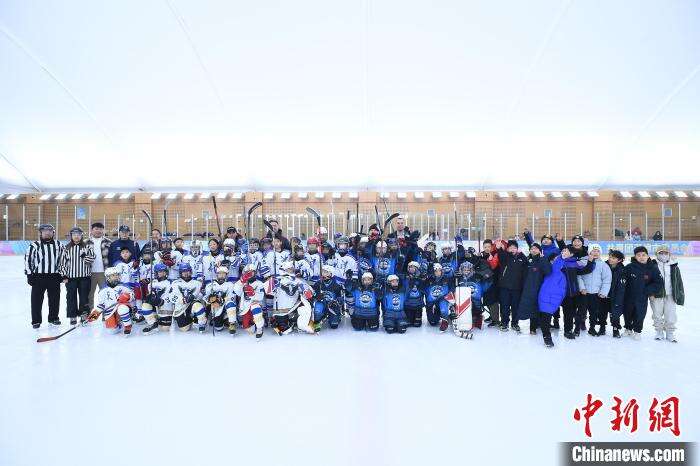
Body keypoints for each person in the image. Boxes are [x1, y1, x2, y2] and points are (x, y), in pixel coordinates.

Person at [537, 247, 591, 347]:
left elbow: (585, 270)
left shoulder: (575, 263)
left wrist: (591, 261)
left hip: (569, 293)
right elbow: (554, 267)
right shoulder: (556, 263)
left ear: (571, 254)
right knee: (547, 312)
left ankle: (568, 330)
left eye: (566, 251)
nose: (563, 252)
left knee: (569, 313)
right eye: (562, 251)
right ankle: (547, 335)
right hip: (554, 292)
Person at [24, 224, 64, 328]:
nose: (47, 232)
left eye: (50, 231)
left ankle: (53, 318)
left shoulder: (59, 245)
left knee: (55, 299)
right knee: (36, 300)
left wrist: (62, 274)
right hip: (38, 277)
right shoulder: (34, 245)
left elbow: (63, 260)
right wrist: (29, 275)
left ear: (53, 233)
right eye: (45, 231)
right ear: (40, 233)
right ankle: (36, 321)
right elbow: (28, 260)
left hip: (54, 276)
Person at [623, 246, 663, 340]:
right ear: (635, 257)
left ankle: (637, 331)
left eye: (643, 255)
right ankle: (628, 329)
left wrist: (647, 291)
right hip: (629, 296)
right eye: (639, 255)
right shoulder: (629, 267)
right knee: (627, 313)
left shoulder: (652, 268)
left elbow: (658, 282)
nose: (641, 257)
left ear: (648, 256)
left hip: (642, 297)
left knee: (640, 314)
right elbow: (623, 280)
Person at [58, 227, 96, 325]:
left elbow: (92, 259)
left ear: (81, 235)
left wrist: (84, 256)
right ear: (71, 236)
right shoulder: (66, 248)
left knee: (84, 297)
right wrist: (64, 275)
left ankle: (84, 314)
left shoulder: (87, 247)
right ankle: (72, 315)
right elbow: (62, 263)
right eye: (74, 234)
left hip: (84, 277)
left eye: (78, 234)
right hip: (71, 278)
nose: (76, 236)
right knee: (71, 297)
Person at [265, 261, 314, 335]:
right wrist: (271, 283)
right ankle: (279, 323)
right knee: (285, 331)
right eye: (289, 269)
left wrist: (307, 291)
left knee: (304, 309)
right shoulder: (277, 279)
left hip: (293, 308)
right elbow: (267, 291)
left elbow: (308, 291)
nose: (291, 270)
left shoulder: (297, 280)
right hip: (281, 311)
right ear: (283, 269)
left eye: (292, 268)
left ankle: (301, 324)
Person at [650, 245, 684, 342]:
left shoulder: (674, 266)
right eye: (661, 253)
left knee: (670, 315)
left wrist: (680, 294)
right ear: (657, 254)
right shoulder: (652, 265)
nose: (663, 255)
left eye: (666, 253)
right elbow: (648, 281)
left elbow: (679, 282)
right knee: (657, 314)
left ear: (669, 254)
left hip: (670, 295)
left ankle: (670, 333)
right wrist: (650, 293)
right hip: (657, 295)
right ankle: (659, 331)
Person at [86, 267, 135, 335]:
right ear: (108, 277)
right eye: (113, 275)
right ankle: (119, 324)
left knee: (122, 309)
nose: (116, 277)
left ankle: (128, 326)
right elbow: (101, 306)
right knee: (112, 331)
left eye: (117, 275)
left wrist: (127, 296)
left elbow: (132, 295)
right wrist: (93, 316)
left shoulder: (123, 286)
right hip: (110, 311)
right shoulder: (103, 291)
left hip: (122, 307)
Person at [516, 242, 551, 336]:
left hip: (539, 289)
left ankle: (535, 327)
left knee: (537, 308)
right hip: (527, 289)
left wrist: (543, 259)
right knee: (529, 308)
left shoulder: (542, 260)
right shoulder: (528, 260)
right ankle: (528, 327)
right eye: (532, 249)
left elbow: (548, 272)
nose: (533, 250)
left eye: (536, 248)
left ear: (540, 250)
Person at [577, 244, 612, 337]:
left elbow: (607, 280)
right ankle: (577, 328)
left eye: (598, 251)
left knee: (594, 312)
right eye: (593, 251)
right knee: (581, 311)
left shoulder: (603, 265)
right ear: (589, 252)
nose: (595, 253)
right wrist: (582, 288)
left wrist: (603, 292)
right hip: (584, 293)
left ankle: (592, 328)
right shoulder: (583, 262)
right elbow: (578, 276)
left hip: (596, 294)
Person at [496, 239, 527, 332]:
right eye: (510, 248)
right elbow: (500, 255)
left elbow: (527, 266)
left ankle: (515, 323)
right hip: (504, 287)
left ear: (517, 249)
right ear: (507, 249)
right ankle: (504, 323)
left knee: (515, 307)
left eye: (514, 248)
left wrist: (522, 254)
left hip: (517, 288)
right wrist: (499, 248)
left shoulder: (521, 257)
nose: (512, 249)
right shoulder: (505, 256)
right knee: (504, 306)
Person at [232, 264, 266, 338]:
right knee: (247, 327)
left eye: (251, 272)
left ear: (255, 272)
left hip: (255, 305)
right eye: (247, 272)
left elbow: (260, 296)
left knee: (255, 307)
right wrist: (241, 281)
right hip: (245, 307)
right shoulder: (241, 283)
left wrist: (252, 294)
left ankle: (260, 328)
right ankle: (254, 323)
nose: (249, 274)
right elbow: (237, 291)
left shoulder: (259, 283)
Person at [169, 263, 205, 332]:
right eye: (183, 272)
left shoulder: (197, 283)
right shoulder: (175, 283)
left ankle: (201, 322)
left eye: (187, 271)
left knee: (197, 305)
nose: (186, 273)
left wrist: (194, 297)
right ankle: (190, 320)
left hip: (192, 305)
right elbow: (171, 296)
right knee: (184, 329)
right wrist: (182, 300)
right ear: (180, 273)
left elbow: (201, 296)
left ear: (191, 272)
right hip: (181, 307)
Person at [599, 250, 626, 338]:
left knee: (615, 313)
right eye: (610, 257)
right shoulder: (603, 266)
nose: (610, 259)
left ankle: (615, 329)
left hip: (615, 295)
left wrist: (619, 297)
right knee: (602, 312)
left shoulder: (622, 270)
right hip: (603, 294)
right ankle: (602, 327)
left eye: (613, 258)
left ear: (619, 260)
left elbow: (622, 286)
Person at [141, 263, 174, 334]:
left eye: (164, 271)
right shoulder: (152, 283)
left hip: (166, 306)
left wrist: (162, 301)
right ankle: (153, 323)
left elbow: (172, 296)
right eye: (160, 271)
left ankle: (158, 319)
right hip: (156, 305)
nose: (162, 273)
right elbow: (151, 295)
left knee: (165, 329)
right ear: (156, 273)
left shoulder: (171, 283)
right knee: (145, 305)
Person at [203, 266, 236, 332]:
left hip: (225, 306)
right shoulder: (210, 285)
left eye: (224, 274)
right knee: (218, 328)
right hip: (215, 307)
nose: (221, 275)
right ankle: (218, 319)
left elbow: (231, 297)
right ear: (217, 274)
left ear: (226, 275)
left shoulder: (230, 285)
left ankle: (232, 323)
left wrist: (221, 300)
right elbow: (205, 298)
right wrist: (209, 299)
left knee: (230, 304)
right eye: (220, 273)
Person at [86, 222, 111, 309]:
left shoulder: (108, 242)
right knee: (89, 295)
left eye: (100, 229)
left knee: (104, 294)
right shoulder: (85, 243)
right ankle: (90, 314)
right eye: (96, 229)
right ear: (91, 230)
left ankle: (106, 313)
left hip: (104, 272)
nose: (98, 231)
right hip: (89, 273)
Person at [312, 265, 345, 331]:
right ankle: (317, 321)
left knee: (334, 325)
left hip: (332, 305)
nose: (323, 274)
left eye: (326, 272)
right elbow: (313, 293)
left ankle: (335, 317)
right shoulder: (318, 283)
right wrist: (317, 296)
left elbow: (341, 298)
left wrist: (337, 301)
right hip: (321, 302)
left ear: (331, 274)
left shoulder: (336, 285)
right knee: (317, 312)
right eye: (323, 272)